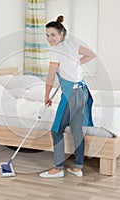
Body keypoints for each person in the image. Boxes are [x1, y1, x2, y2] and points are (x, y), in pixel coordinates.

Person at [39, 16, 95, 178]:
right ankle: (77, 167)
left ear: (61, 34)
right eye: (47, 35)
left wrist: (46, 95)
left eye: (53, 35)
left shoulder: (55, 51)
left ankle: (57, 168)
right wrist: (77, 64)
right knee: (77, 130)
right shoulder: (72, 44)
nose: (50, 39)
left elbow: (50, 77)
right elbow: (91, 55)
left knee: (56, 130)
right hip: (82, 91)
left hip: (71, 95)